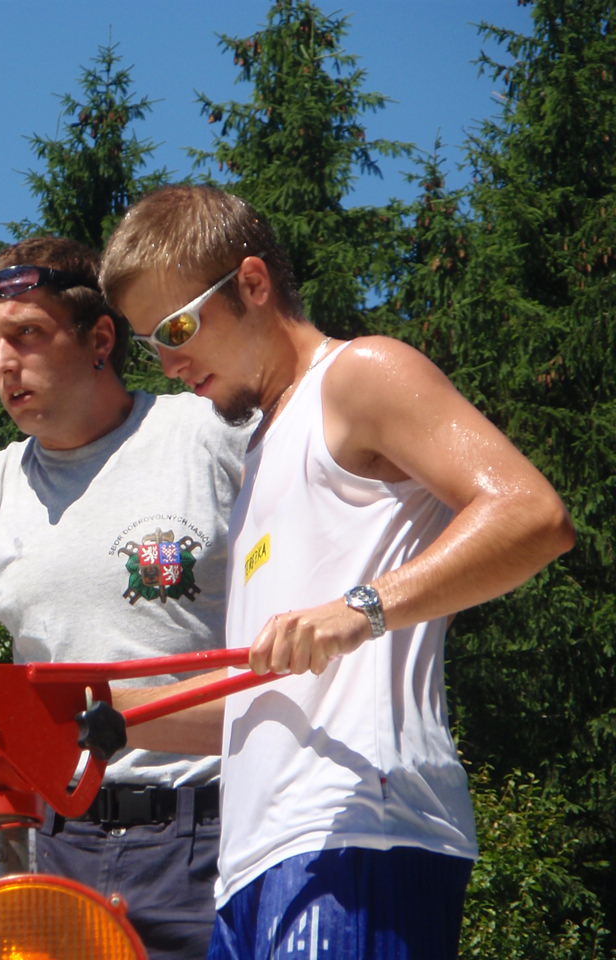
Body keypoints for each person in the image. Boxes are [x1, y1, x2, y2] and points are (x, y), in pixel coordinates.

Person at [98, 184, 575, 960]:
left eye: (178, 327)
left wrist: (360, 608)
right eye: (151, 342)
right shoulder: (257, 460)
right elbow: (263, 698)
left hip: (358, 829)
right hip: (251, 868)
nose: (170, 362)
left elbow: (531, 515)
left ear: (254, 284)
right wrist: (95, 713)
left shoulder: (359, 376)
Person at [0, 235, 250, 959]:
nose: (2, 363)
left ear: (100, 339)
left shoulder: (213, 438)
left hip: (214, 838)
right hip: (49, 847)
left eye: (26, 334)